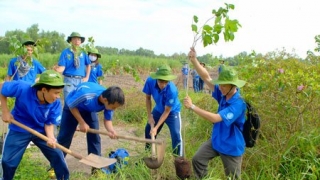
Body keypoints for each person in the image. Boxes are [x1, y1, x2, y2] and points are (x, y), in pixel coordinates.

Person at [184, 47, 246, 179]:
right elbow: (206, 78)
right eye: (220, 85)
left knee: (232, 178)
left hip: (231, 147)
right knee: (198, 159)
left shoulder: (238, 103)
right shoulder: (223, 93)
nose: (220, 87)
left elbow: (216, 118)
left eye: (223, 85)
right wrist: (194, 60)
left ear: (233, 86)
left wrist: (192, 106)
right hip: (218, 140)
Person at [0, 70, 69, 180]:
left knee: (58, 156)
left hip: (41, 130)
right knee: (7, 161)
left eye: (59, 93)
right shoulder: (23, 88)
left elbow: (49, 123)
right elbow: (2, 87)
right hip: (19, 128)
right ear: (44, 89)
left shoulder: (55, 103)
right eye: (56, 93)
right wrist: (5, 111)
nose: (58, 96)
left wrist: (50, 137)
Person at [56, 82, 125, 174]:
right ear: (105, 100)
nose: (113, 109)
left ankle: (96, 169)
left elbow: (107, 120)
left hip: (88, 110)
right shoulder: (86, 95)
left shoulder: (110, 100)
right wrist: (82, 122)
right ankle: (55, 166)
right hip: (72, 107)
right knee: (64, 137)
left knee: (95, 137)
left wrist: (111, 131)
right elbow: (72, 106)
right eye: (113, 107)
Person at [143, 64, 183, 156]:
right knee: (148, 129)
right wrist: (150, 116)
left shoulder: (172, 90)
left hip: (172, 111)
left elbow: (167, 111)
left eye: (166, 82)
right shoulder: (150, 81)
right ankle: (148, 154)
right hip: (159, 109)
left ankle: (177, 158)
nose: (163, 85)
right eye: (161, 81)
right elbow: (148, 98)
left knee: (176, 134)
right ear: (156, 78)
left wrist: (156, 128)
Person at [53, 32, 91, 100]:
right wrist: (57, 69)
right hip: (69, 80)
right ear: (71, 41)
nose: (77, 41)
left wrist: (87, 77)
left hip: (81, 80)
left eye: (79, 39)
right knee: (68, 102)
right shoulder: (65, 52)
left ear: (81, 42)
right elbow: (62, 67)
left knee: (79, 102)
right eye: (74, 39)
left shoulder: (83, 52)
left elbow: (88, 65)